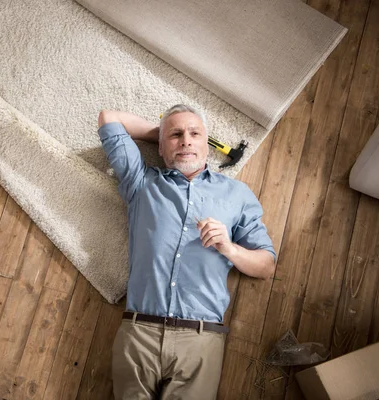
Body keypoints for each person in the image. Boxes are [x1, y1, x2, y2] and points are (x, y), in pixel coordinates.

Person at [97, 104, 276, 399]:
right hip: (139, 332)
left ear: (207, 143)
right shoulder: (141, 183)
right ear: (160, 145)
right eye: (176, 135)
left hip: (201, 338)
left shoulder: (237, 194)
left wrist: (230, 248)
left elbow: (267, 266)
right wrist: (165, 133)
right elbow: (109, 118)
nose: (186, 141)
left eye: (195, 134)